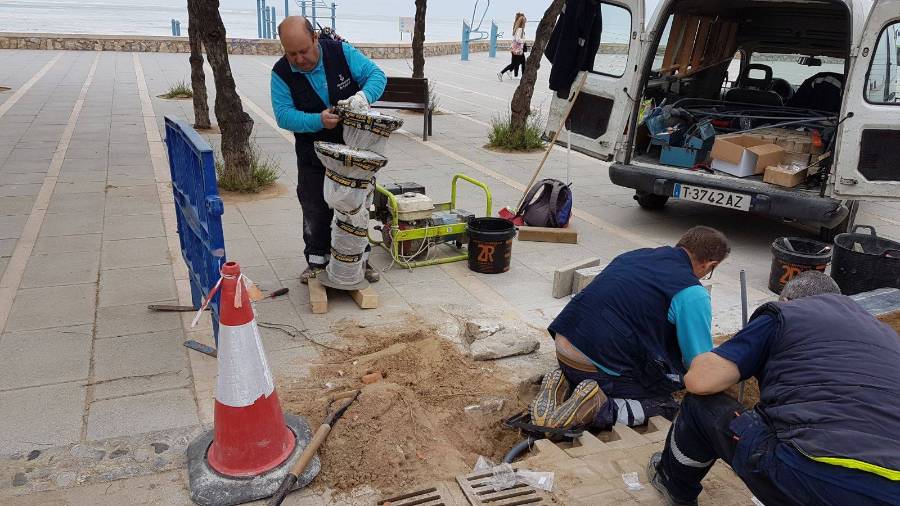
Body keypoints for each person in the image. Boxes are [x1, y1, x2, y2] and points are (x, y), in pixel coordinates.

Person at [647, 271, 900, 506]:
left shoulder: (787, 314)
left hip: (814, 473)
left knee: (700, 405)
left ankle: (673, 484)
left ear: (787, 300)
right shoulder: (887, 336)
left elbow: (700, 381)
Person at [531, 226, 730, 430]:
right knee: (665, 404)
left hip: (564, 347)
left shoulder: (635, 255)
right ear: (709, 265)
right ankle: (601, 407)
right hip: (599, 369)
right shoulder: (691, 292)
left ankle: (565, 384)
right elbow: (699, 364)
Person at [271, 16, 386, 283]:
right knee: (314, 206)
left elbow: (376, 76)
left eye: (304, 51)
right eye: (291, 53)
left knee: (356, 207)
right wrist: (316, 120)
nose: (299, 59)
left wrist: (362, 97)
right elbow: (283, 115)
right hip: (312, 153)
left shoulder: (340, 52)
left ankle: (361, 259)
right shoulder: (281, 73)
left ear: (314, 38)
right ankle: (316, 261)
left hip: (354, 151)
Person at [498, 13, 527, 80]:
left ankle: (507, 72)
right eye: (525, 22)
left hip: (516, 49)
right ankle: (502, 73)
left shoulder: (517, 28)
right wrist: (524, 40)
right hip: (518, 49)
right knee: (515, 63)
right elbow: (517, 39)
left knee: (520, 62)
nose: (525, 23)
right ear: (523, 23)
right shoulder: (520, 29)